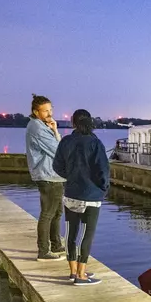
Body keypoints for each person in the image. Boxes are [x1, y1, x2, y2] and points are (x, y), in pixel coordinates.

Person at [53, 109, 109, 286]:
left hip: (70, 193)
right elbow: (103, 170)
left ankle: (72, 271)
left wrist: (70, 176)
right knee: (87, 234)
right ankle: (82, 275)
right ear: (90, 122)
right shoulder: (95, 143)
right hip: (90, 195)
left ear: (73, 123)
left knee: (71, 232)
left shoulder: (66, 141)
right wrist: (103, 187)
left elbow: (57, 166)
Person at [26, 94, 66, 261]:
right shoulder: (37, 127)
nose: (49, 113)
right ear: (36, 112)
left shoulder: (42, 125)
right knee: (48, 213)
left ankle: (56, 244)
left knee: (56, 213)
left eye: (50, 110)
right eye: (45, 111)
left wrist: (55, 130)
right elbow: (58, 150)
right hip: (47, 175)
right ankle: (43, 251)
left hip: (53, 175)